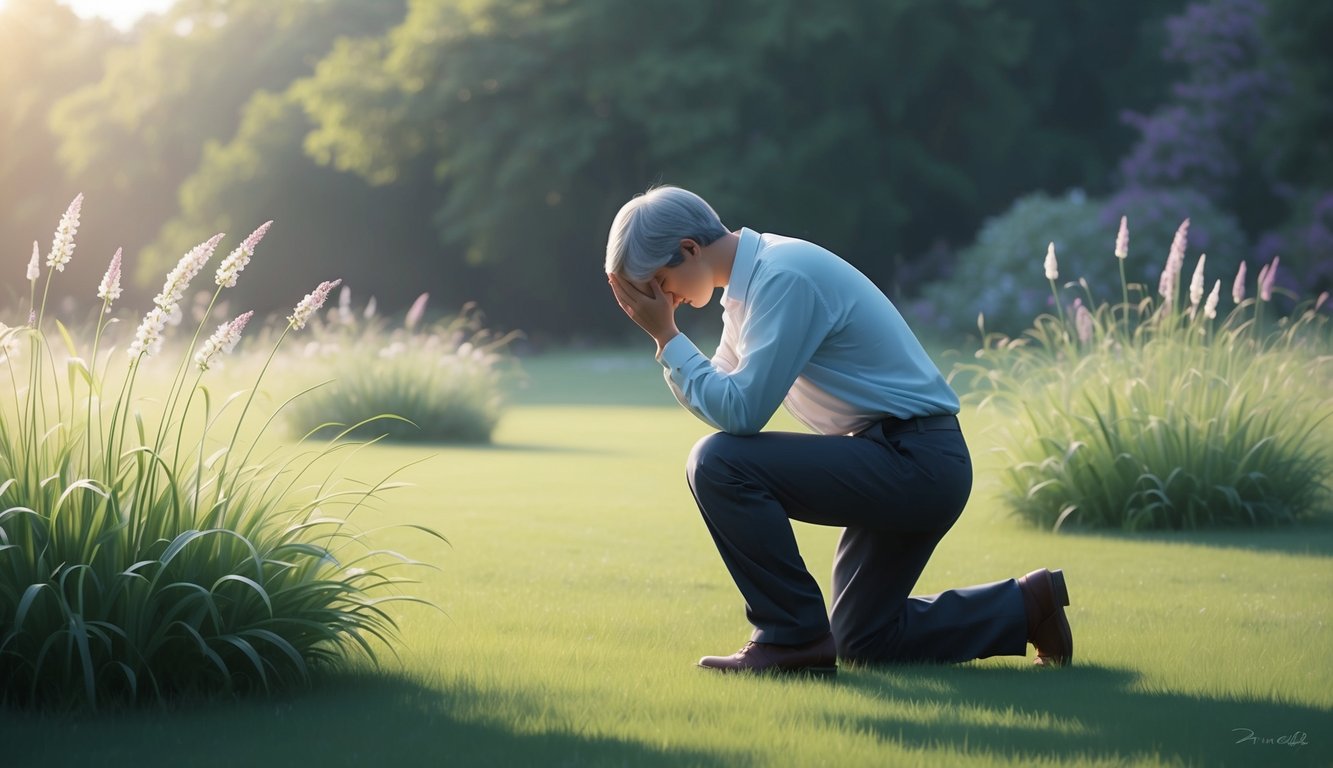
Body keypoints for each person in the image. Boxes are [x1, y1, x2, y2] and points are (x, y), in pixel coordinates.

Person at [604, 185, 1073, 676]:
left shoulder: (782, 278)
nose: (666, 299)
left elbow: (740, 414)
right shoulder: (749, 291)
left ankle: (790, 639)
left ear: (689, 249)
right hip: (900, 456)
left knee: (717, 462)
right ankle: (1027, 605)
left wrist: (668, 337)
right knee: (865, 638)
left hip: (917, 461)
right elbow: (719, 395)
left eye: (660, 283)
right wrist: (667, 342)